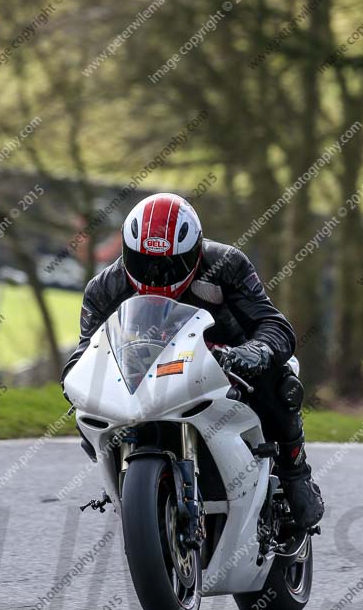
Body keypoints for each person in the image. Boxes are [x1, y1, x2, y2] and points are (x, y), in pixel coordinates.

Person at [63, 193, 324, 528]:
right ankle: (128, 492)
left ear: (195, 252)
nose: (156, 276)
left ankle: (295, 474)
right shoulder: (105, 287)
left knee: (282, 382)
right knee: (88, 414)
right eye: (145, 263)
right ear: (127, 253)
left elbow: (274, 325)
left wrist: (252, 352)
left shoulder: (226, 265)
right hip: (146, 376)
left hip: (226, 366)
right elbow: (87, 350)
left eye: (169, 265)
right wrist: (76, 379)